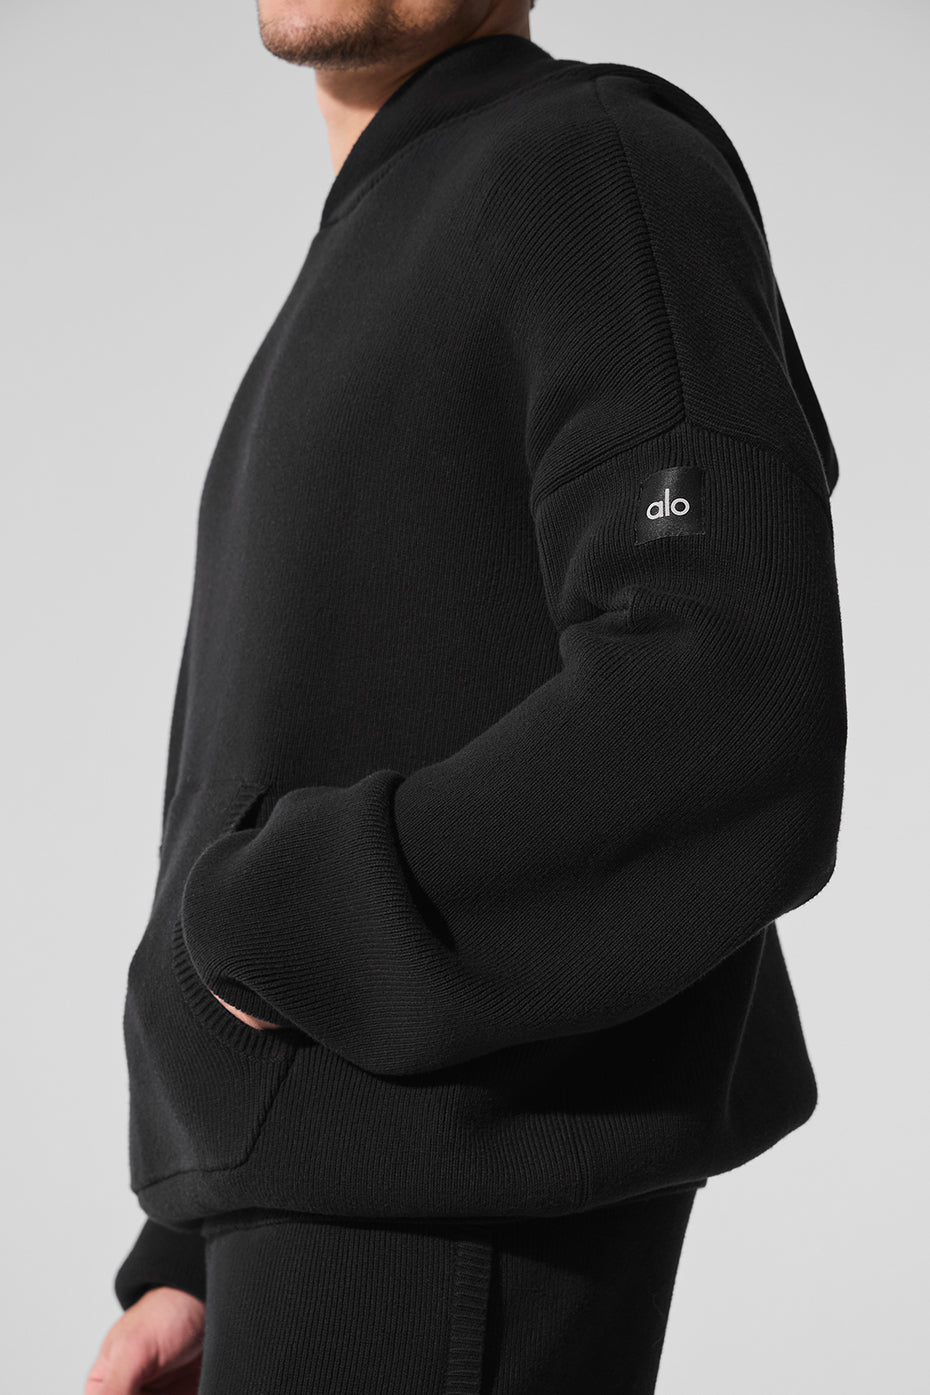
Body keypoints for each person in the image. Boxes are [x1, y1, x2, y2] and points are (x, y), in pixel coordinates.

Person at [86, 1, 847, 1391]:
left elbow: (725, 687)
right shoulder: (376, 246)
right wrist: (194, 1241)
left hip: (452, 1206)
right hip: (313, 1229)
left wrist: (285, 921)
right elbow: (302, 736)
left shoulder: (587, 162)